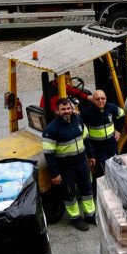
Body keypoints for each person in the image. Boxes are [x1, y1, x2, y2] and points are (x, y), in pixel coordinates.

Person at [42, 98, 96, 231]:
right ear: (57, 111)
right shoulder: (51, 130)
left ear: (72, 109)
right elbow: (49, 154)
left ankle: (90, 215)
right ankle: (76, 218)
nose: (66, 111)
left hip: (82, 163)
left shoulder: (78, 121)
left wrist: (91, 155)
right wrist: (55, 174)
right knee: (69, 194)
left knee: (87, 190)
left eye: (68, 108)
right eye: (63, 109)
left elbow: (86, 140)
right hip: (66, 167)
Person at [79, 89, 125, 184]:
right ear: (93, 100)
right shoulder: (86, 113)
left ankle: (118, 188)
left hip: (112, 145)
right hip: (98, 149)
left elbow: (122, 114)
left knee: (116, 167)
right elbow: (82, 131)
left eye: (102, 98)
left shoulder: (112, 107)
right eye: (97, 99)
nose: (100, 101)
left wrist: (119, 130)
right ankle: (105, 192)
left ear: (106, 98)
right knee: (103, 172)